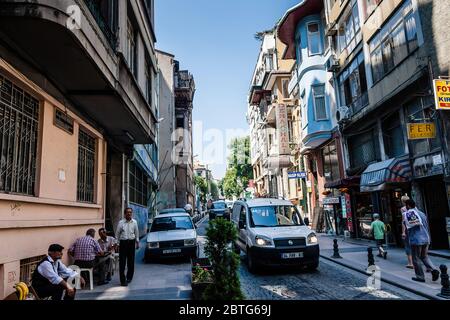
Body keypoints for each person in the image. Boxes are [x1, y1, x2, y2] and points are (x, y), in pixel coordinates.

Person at [404, 199, 440, 282]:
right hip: (426, 237)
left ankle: (420, 277)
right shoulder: (422, 213)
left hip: (416, 239)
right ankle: (434, 270)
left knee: (416, 258)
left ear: (408, 205)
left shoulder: (409, 214)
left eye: (406, 205)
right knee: (424, 256)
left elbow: (408, 228)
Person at [116, 207, 139, 286]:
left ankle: (129, 277)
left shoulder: (134, 222)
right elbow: (117, 234)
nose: (129, 213)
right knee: (122, 262)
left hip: (131, 243)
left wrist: (137, 242)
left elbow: (136, 233)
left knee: (131, 261)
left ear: (131, 213)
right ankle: (123, 280)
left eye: (130, 212)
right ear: (125, 214)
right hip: (123, 243)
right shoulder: (121, 223)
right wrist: (117, 243)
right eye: (127, 212)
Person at [400, 195, 414, 269]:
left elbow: (403, 221)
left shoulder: (403, 209)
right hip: (414, 228)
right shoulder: (415, 207)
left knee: (407, 245)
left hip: (408, 228)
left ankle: (410, 263)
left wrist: (403, 232)